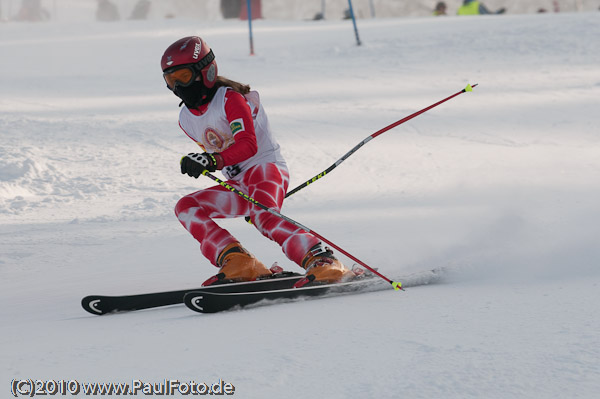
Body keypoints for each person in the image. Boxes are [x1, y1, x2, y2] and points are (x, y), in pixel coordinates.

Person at [161, 36, 356, 286]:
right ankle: (238, 261)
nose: (178, 86)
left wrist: (212, 161)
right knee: (186, 207)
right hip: (239, 183)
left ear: (205, 71)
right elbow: (217, 149)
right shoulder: (186, 118)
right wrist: (202, 161)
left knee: (264, 216)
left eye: (183, 77)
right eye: (170, 80)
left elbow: (247, 145)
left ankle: (323, 261)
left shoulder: (230, 99)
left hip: (266, 169)